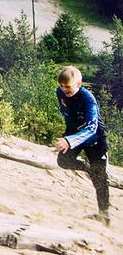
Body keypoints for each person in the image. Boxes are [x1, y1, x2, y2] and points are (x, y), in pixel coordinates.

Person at [54, 65, 111, 227]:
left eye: (68, 86)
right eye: (62, 86)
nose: (64, 89)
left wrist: (70, 140)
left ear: (79, 84)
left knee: (100, 178)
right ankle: (87, 168)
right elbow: (65, 111)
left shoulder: (89, 100)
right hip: (74, 134)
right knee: (63, 161)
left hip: (96, 139)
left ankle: (104, 214)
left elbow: (92, 128)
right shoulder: (60, 93)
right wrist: (68, 135)